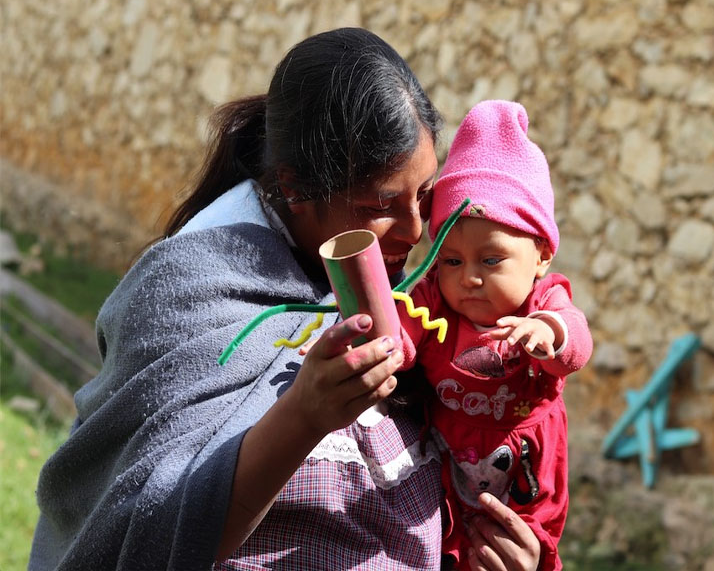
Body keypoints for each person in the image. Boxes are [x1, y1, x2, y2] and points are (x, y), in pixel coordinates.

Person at [28, 29, 541, 571]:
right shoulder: (189, 295)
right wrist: (302, 416)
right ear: (296, 188)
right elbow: (144, 526)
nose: (415, 230)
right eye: (381, 203)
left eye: (423, 194)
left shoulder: (413, 296)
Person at [397, 101, 593, 570]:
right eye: (452, 260)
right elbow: (400, 333)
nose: (468, 278)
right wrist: (385, 347)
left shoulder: (544, 302)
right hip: (447, 461)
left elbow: (577, 344)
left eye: (491, 260)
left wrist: (548, 333)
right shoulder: (433, 301)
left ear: (541, 255)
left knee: (515, 549)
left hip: (524, 467)